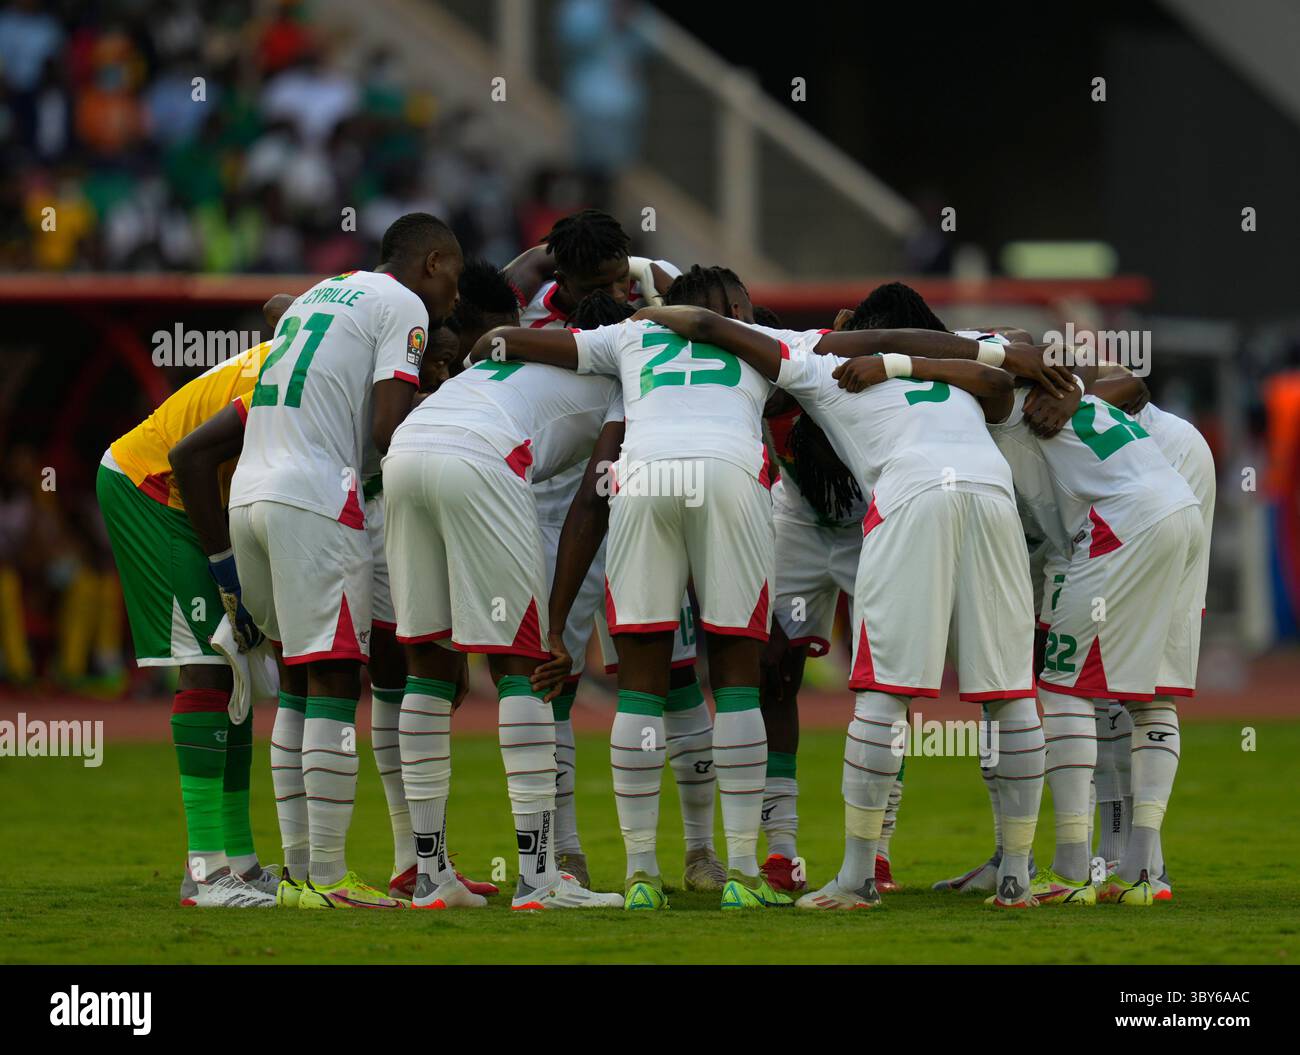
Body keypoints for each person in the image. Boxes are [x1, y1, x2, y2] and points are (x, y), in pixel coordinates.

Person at [630, 302, 1059, 909]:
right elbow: (1001, 371)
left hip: (909, 493)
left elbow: (706, 327)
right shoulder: (952, 356)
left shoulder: (815, 357)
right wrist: (908, 359)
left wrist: (645, 310)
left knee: (884, 691)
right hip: (990, 494)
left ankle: (858, 877)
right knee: (1010, 693)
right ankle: (1017, 877)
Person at [173, 213, 462, 909]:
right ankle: (329, 877)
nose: (455, 284)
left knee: (298, 687)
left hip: (250, 495)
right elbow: (390, 427)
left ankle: (302, 873)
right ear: (430, 261)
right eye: (453, 267)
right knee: (333, 678)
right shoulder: (405, 307)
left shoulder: (320, 295)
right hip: (316, 499)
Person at [98, 298, 285, 907]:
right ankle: (204, 871)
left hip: (190, 496)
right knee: (209, 660)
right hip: (150, 489)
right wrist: (224, 564)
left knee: (236, 667)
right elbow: (189, 458)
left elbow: (279, 304)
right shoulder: (286, 381)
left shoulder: (313, 350)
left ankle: (239, 861)